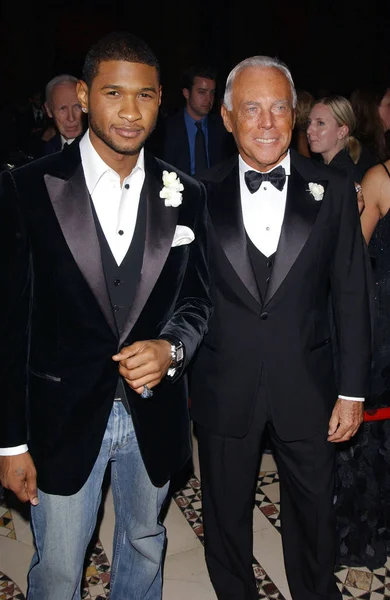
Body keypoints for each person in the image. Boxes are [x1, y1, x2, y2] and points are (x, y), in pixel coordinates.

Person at [0, 31, 211, 600]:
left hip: (156, 411)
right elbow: (9, 322)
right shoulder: (26, 188)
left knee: (145, 542)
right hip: (61, 415)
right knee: (61, 566)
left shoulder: (186, 193)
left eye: (144, 95)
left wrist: (172, 349)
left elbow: (197, 299)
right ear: (85, 97)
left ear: (161, 99)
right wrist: (10, 443)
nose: (129, 110)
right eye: (113, 93)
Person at [190, 55, 371, 600]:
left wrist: (352, 390)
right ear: (227, 117)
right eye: (252, 108)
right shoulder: (198, 192)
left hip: (310, 387)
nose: (267, 122)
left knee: (315, 519)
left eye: (279, 108)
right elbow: (184, 296)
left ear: (294, 116)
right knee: (224, 522)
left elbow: (351, 293)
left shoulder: (333, 189)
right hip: (224, 388)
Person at [334, 158, 390, 569]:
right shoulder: (379, 179)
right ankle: (365, 532)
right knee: (374, 438)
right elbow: (350, 265)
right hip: (385, 326)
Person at [161, 66, 235, 175]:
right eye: (202, 92)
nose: (208, 99)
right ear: (186, 93)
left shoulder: (222, 127)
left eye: (212, 93)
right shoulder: (168, 128)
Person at [307, 96, 365, 212]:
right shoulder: (323, 168)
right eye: (309, 122)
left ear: (342, 131)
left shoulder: (344, 175)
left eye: (320, 123)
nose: (309, 130)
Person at [42, 74, 85, 154]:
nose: (71, 118)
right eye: (62, 109)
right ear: (48, 110)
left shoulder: (103, 150)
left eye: (77, 107)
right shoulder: (45, 152)